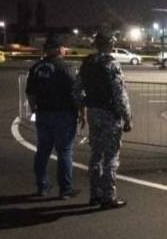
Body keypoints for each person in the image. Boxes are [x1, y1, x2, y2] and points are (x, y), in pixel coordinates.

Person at [73, 32, 132, 209]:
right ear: (110, 45)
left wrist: (83, 108)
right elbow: (119, 94)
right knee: (111, 156)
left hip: (93, 112)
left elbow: (76, 89)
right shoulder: (111, 64)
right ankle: (109, 197)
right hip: (109, 114)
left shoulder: (87, 63)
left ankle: (95, 194)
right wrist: (127, 117)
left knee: (96, 154)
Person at [25, 35, 80, 199]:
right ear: (57, 49)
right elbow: (75, 92)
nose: (65, 50)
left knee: (42, 150)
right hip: (63, 114)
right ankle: (65, 189)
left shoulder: (36, 68)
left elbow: (30, 93)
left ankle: (42, 186)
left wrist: (34, 109)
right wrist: (81, 111)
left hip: (43, 113)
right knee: (64, 151)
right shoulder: (65, 68)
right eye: (63, 47)